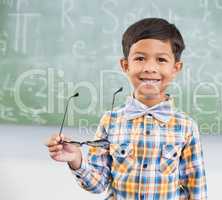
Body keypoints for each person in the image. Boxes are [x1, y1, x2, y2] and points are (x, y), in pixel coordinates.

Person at [46, 17, 207, 200]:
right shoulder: (110, 121)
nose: (150, 68)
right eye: (140, 58)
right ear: (125, 65)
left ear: (175, 68)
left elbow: (196, 187)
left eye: (161, 59)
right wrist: (76, 159)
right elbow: (98, 185)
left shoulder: (186, 126)